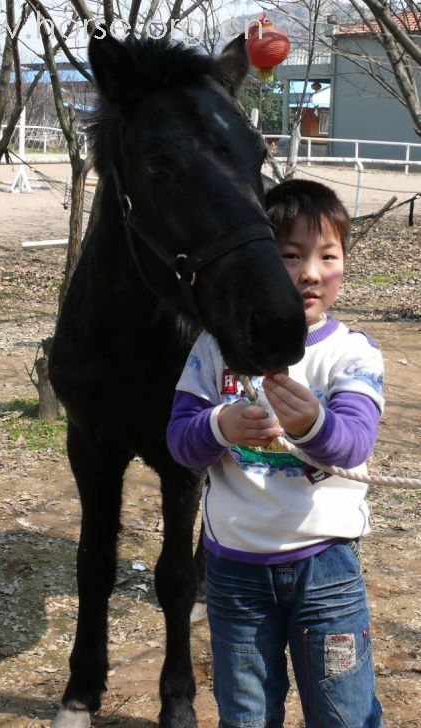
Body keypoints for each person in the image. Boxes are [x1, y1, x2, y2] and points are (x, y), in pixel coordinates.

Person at [167, 179, 384, 727]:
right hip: (234, 572)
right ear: (262, 261)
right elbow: (181, 443)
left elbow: (355, 441)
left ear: (343, 263)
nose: (311, 272)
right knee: (244, 716)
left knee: (344, 714)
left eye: (327, 255)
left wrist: (312, 423)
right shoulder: (216, 348)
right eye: (291, 256)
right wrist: (222, 424)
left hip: (327, 566)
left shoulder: (352, 353)